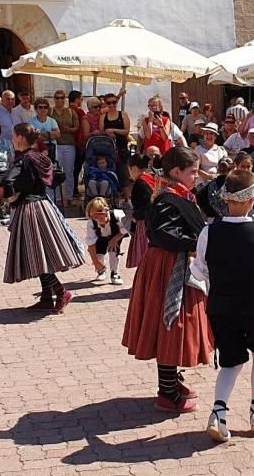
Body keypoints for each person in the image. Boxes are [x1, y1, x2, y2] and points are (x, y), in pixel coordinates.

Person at [190, 168, 254, 443]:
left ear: (226, 199)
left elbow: (199, 272)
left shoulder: (208, 232)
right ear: (251, 199)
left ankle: (218, 414)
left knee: (230, 362)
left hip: (221, 307)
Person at [122, 145, 214, 413]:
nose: (196, 177)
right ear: (176, 171)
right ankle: (167, 391)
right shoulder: (166, 198)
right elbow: (163, 233)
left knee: (172, 325)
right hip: (168, 265)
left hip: (173, 262)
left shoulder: (175, 193)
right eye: (192, 172)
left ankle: (172, 382)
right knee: (170, 325)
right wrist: (198, 243)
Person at [3, 123, 85, 311]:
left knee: (36, 254)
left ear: (21, 138)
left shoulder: (22, 160)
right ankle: (47, 297)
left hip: (29, 209)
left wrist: (12, 196)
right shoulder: (40, 157)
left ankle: (61, 291)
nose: (12, 139)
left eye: (14, 135)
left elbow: (8, 181)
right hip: (44, 205)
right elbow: (59, 175)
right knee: (39, 254)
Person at [85, 196, 127, 286]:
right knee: (98, 253)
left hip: (116, 235)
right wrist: (96, 263)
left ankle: (114, 274)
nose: (98, 219)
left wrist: (115, 239)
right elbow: (91, 244)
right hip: (101, 237)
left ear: (106, 210)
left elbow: (125, 229)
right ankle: (101, 271)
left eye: (100, 215)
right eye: (94, 217)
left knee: (114, 251)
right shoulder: (91, 223)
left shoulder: (118, 215)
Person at [126, 154, 157, 269]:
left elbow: (147, 205)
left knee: (144, 256)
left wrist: (135, 215)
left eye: (129, 170)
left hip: (144, 223)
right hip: (153, 220)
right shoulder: (151, 178)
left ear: (133, 168)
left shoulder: (140, 183)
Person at [51, 90, 79, 203]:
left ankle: (69, 196)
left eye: (62, 98)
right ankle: (57, 197)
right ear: (54, 99)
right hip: (56, 144)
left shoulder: (71, 112)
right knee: (56, 171)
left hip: (69, 144)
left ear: (65, 99)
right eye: (57, 98)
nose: (59, 100)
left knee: (69, 172)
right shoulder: (49, 111)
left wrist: (68, 130)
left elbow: (77, 127)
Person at [101, 93, 131, 196]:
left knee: (123, 175)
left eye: (114, 102)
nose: (112, 105)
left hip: (121, 149)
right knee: (109, 174)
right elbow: (101, 132)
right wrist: (107, 133)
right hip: (108, 151)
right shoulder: (103, 117)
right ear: (105, 104)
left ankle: (127, 199)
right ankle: (113, 197)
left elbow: (126, 131)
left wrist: (114, 130)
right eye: (109, 103)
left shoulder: (123, 115)